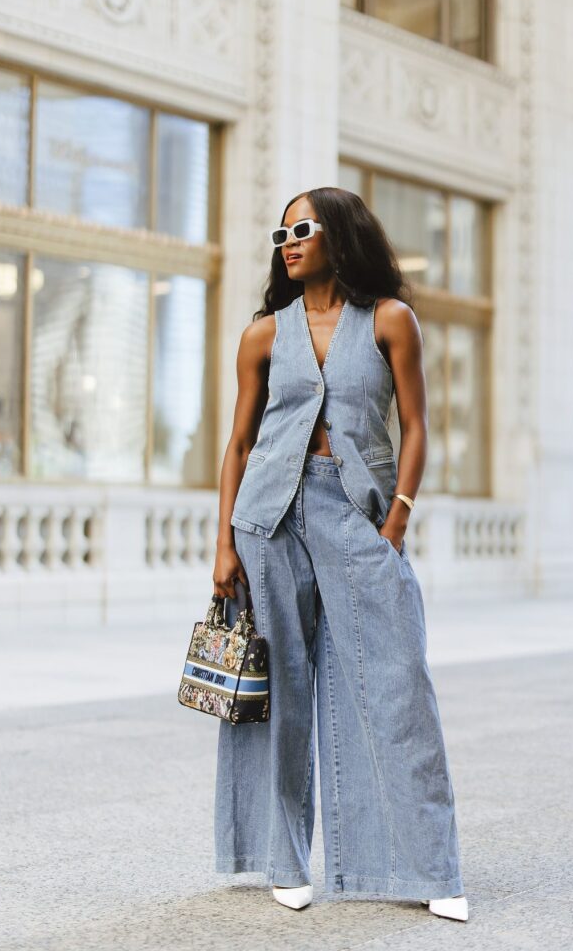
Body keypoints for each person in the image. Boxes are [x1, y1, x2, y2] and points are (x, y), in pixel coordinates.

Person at [211, 186, 468, 923]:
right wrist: (223, 544)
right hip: (270, 518)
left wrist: (396, 524)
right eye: (280, 233)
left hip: (358, 518)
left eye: (302, 229)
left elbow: (416, 427)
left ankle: (429, 864)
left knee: (396, 688)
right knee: (278, 693)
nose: (287, 242)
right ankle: (283, 860)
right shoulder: (264, 334)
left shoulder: (390, 321)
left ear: (339, 235)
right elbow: (237, 445)